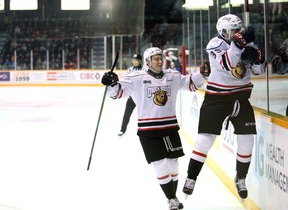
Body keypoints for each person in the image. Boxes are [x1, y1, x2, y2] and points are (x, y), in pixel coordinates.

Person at [101, 47, 210, 210]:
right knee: (159, 163)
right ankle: (171, 198)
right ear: (147, 61)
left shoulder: (172, 76)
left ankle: (173, 196)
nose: (160, 61)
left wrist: (203, 73)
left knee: (173, 163)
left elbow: (191, 84)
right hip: (148, 130)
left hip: (170, 127)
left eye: (161, 58)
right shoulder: (136, 77)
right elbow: (117, 93)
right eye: (156, 59)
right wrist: (110, 83)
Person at [182, 14, 267, 201]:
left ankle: (241, 178)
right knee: (204, 141)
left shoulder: (247, 45)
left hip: (241, 99)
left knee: (247, 142)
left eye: (240, 30)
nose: (239, 33)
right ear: (224, 32)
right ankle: (191, 177)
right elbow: (229, 64)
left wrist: (259, 59)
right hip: (216, 100)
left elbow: (258, 72)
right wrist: (240, 44)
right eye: (234, 31)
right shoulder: (215, 44)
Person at [118, 54, 143, 136]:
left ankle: (144, 130)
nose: (134, 61)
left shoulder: (144, 70)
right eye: (133, 60)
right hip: (131, 96)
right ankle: (122, 129)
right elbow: (127, 82)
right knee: (127, 113)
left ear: (140, 61)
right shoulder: (130, 70)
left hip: (141, 97)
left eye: (136, 60)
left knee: (144, 114)